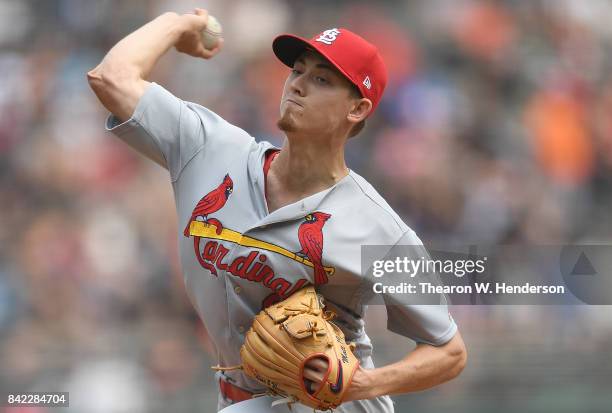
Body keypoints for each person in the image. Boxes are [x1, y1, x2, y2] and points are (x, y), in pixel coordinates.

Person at [87, 7, 467, 412]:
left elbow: (448, 352)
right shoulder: (210, 150)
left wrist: (363, 383)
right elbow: (111, 78)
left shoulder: (377, 229)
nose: (298, 85)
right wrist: (180, 23)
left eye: (321, 79)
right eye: (297, 71)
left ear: (356, 109)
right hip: (239, 398)